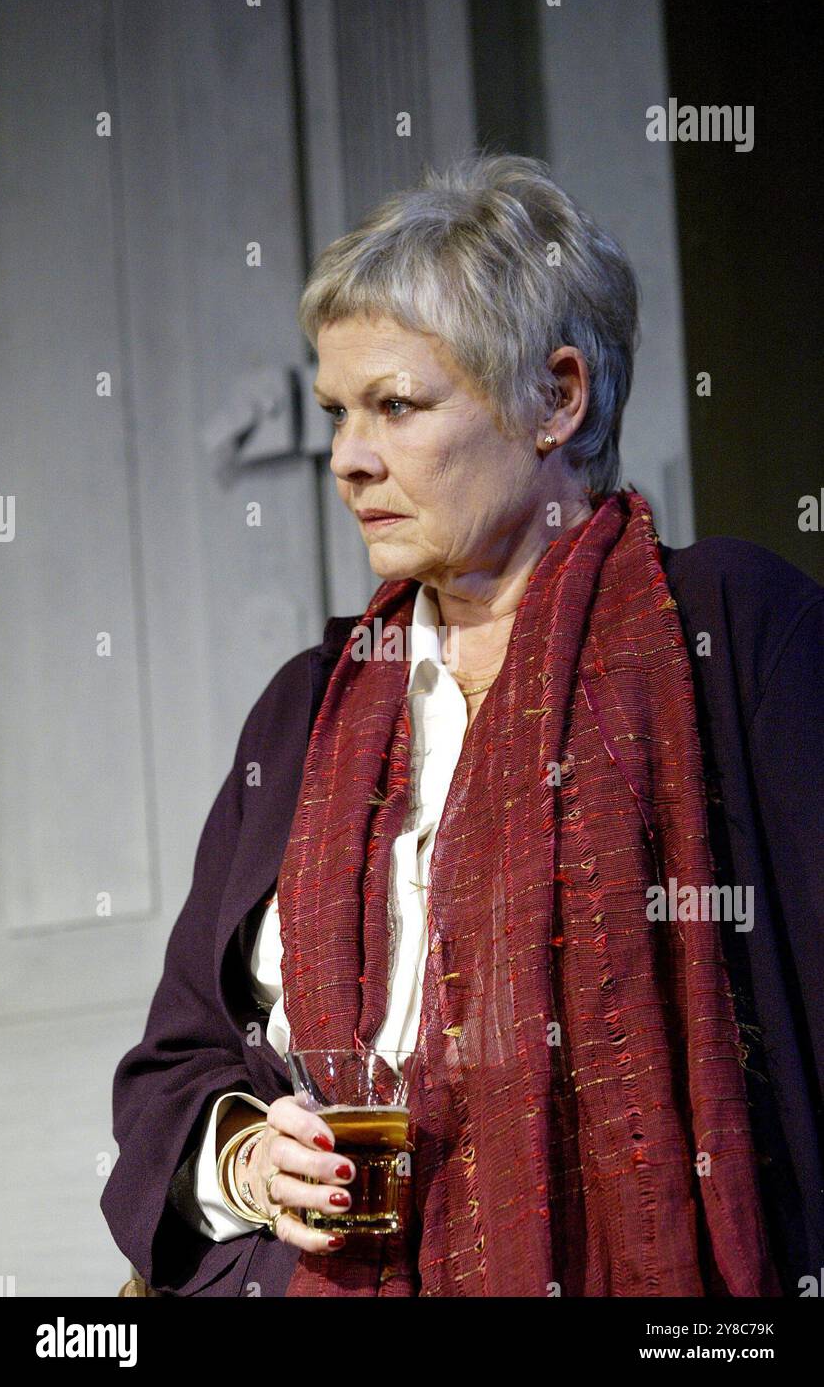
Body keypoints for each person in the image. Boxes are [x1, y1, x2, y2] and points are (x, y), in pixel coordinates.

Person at [102, 153, 823, 1297]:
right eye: (339, 410)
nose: (347, 458)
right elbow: (173, 1060)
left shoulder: (733, 636)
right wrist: (246, 1160)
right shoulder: (308, 703)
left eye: (396, 404)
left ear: (558, 398)